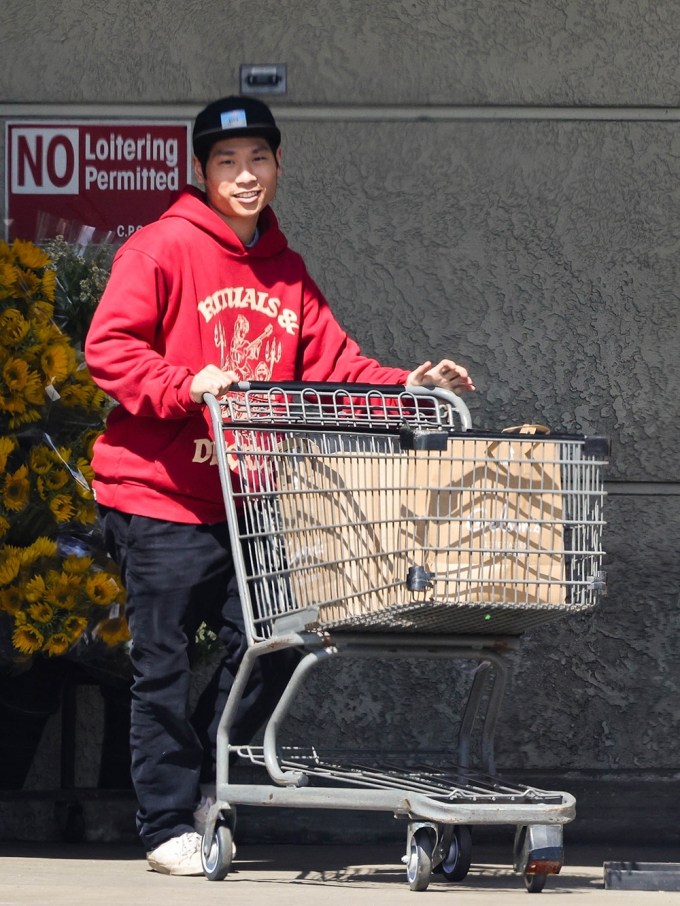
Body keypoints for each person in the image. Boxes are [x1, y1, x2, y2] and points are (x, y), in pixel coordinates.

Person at [84, 94, 475, 876]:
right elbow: (109, 346)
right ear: (200, 172)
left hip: (250, 502)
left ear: (279, 166)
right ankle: (165, 827)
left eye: (258, 158)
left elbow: (337, 366)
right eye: (226, 162)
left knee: (277, 644)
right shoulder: (161, 249)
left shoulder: (287, 272)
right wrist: (185, 381)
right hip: (159, 496)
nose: (244, 174)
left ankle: (204, 783)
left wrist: (411, 384)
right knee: (161, 663)